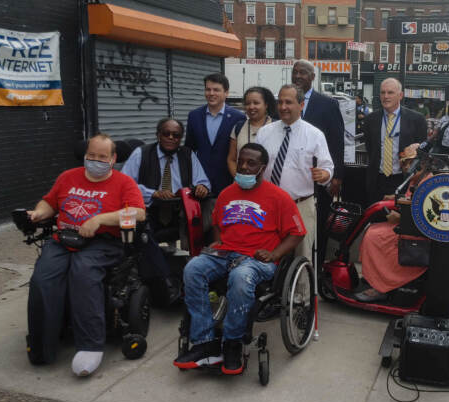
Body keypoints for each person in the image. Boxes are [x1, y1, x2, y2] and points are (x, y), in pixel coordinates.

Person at [174, 143, 305, 374]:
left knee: (241, 277)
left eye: (250, 163)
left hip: (258, 260)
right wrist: (218, 241)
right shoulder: (227, 193)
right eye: (241, 161)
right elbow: (217, 223)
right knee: (192, 269)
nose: (243, 167)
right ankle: (205, 342)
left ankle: (233, 342)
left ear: (262, 168)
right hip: (225, 252)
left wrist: (274, 254)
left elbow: (296, 233)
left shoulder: (279, 197)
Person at [26, 134, 146, 376]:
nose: (96, 160)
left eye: (102, 157)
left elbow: (138, 213)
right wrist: (39, 213)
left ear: (113, 159)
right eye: (91, 155)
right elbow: (50, 202)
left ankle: (90, 345)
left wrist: (100, 219)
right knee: (43, 278)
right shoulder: (68, 177)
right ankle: (42, 344)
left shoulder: (124, 183)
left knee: (83, 273)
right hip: (64, 239)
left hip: (102, 242)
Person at [121, 118, 211, 304]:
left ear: (181, 138)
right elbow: (124, 184)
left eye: (176, 135)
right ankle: (166, 282)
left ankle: (200, 281)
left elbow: (203, 181)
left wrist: (202, 187)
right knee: (142, 235)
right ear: (158, 135)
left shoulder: (188, 155)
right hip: (150, 210)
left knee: (208, 226)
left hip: (179, 211)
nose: (171, 138)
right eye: (166, 133)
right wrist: (153, 193)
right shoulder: (141, 153)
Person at [256, 84, 334, 261]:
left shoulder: (315, 135)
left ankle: (303, 290)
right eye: (280, 102)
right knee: (267, 254)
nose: (283, 107)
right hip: (269, 206)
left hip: (300, 206)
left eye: (289, 102)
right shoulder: (264, 133)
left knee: (302, 256)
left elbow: (328, 166)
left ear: (301, 105)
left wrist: (324, 175)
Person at [354, 144, 430, 302]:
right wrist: (395, 199)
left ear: (420, 164)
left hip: (416, 234)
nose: (405, 167)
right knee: (372, 229)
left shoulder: (427, 183)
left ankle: (382, 285)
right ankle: (375, 277)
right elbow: (411, 202)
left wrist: (400, 218)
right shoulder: (417, 180)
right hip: (409, 227)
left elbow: (424, 215)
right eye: (404, 163)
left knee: (374, 237)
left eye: (408, 163)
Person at [292, 60, 344, 266]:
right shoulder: (285, 102)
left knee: (318, 228)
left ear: (313, 77)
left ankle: (317, 270)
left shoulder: (328, 104)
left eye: (302, 73)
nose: (297, 76)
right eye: (294, 72)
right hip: (292, 179)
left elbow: (337, 142)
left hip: (319, 180)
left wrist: (337, 177)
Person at [185, 73, 246, 235]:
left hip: (227, 184)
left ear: (226, 93)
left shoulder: (238, 118)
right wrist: (195, 180)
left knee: (225, 232)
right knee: (200, 232)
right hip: (200, 188)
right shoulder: (194, 116)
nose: (211, 94)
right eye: (208, 89)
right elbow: (189, 151)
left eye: (216, 90)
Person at [363, 78, 427, 205]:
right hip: (377, 180)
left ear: (400, 95)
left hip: (403, 181)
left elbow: (422, 153)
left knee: (399, 221)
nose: (385, 96)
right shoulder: (371, 119)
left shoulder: (417, 119)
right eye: (382, 92)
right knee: (376, 220)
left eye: (390, 92)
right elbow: (370, 148)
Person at [227, 87, 276, 178]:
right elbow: (232, 159)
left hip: (269, 185)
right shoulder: (238, 127)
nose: (251, 107)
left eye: (256, 103)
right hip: (242, 185)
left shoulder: (277, 127)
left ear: (266, 105)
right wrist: (239, 179)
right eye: (248, 103)